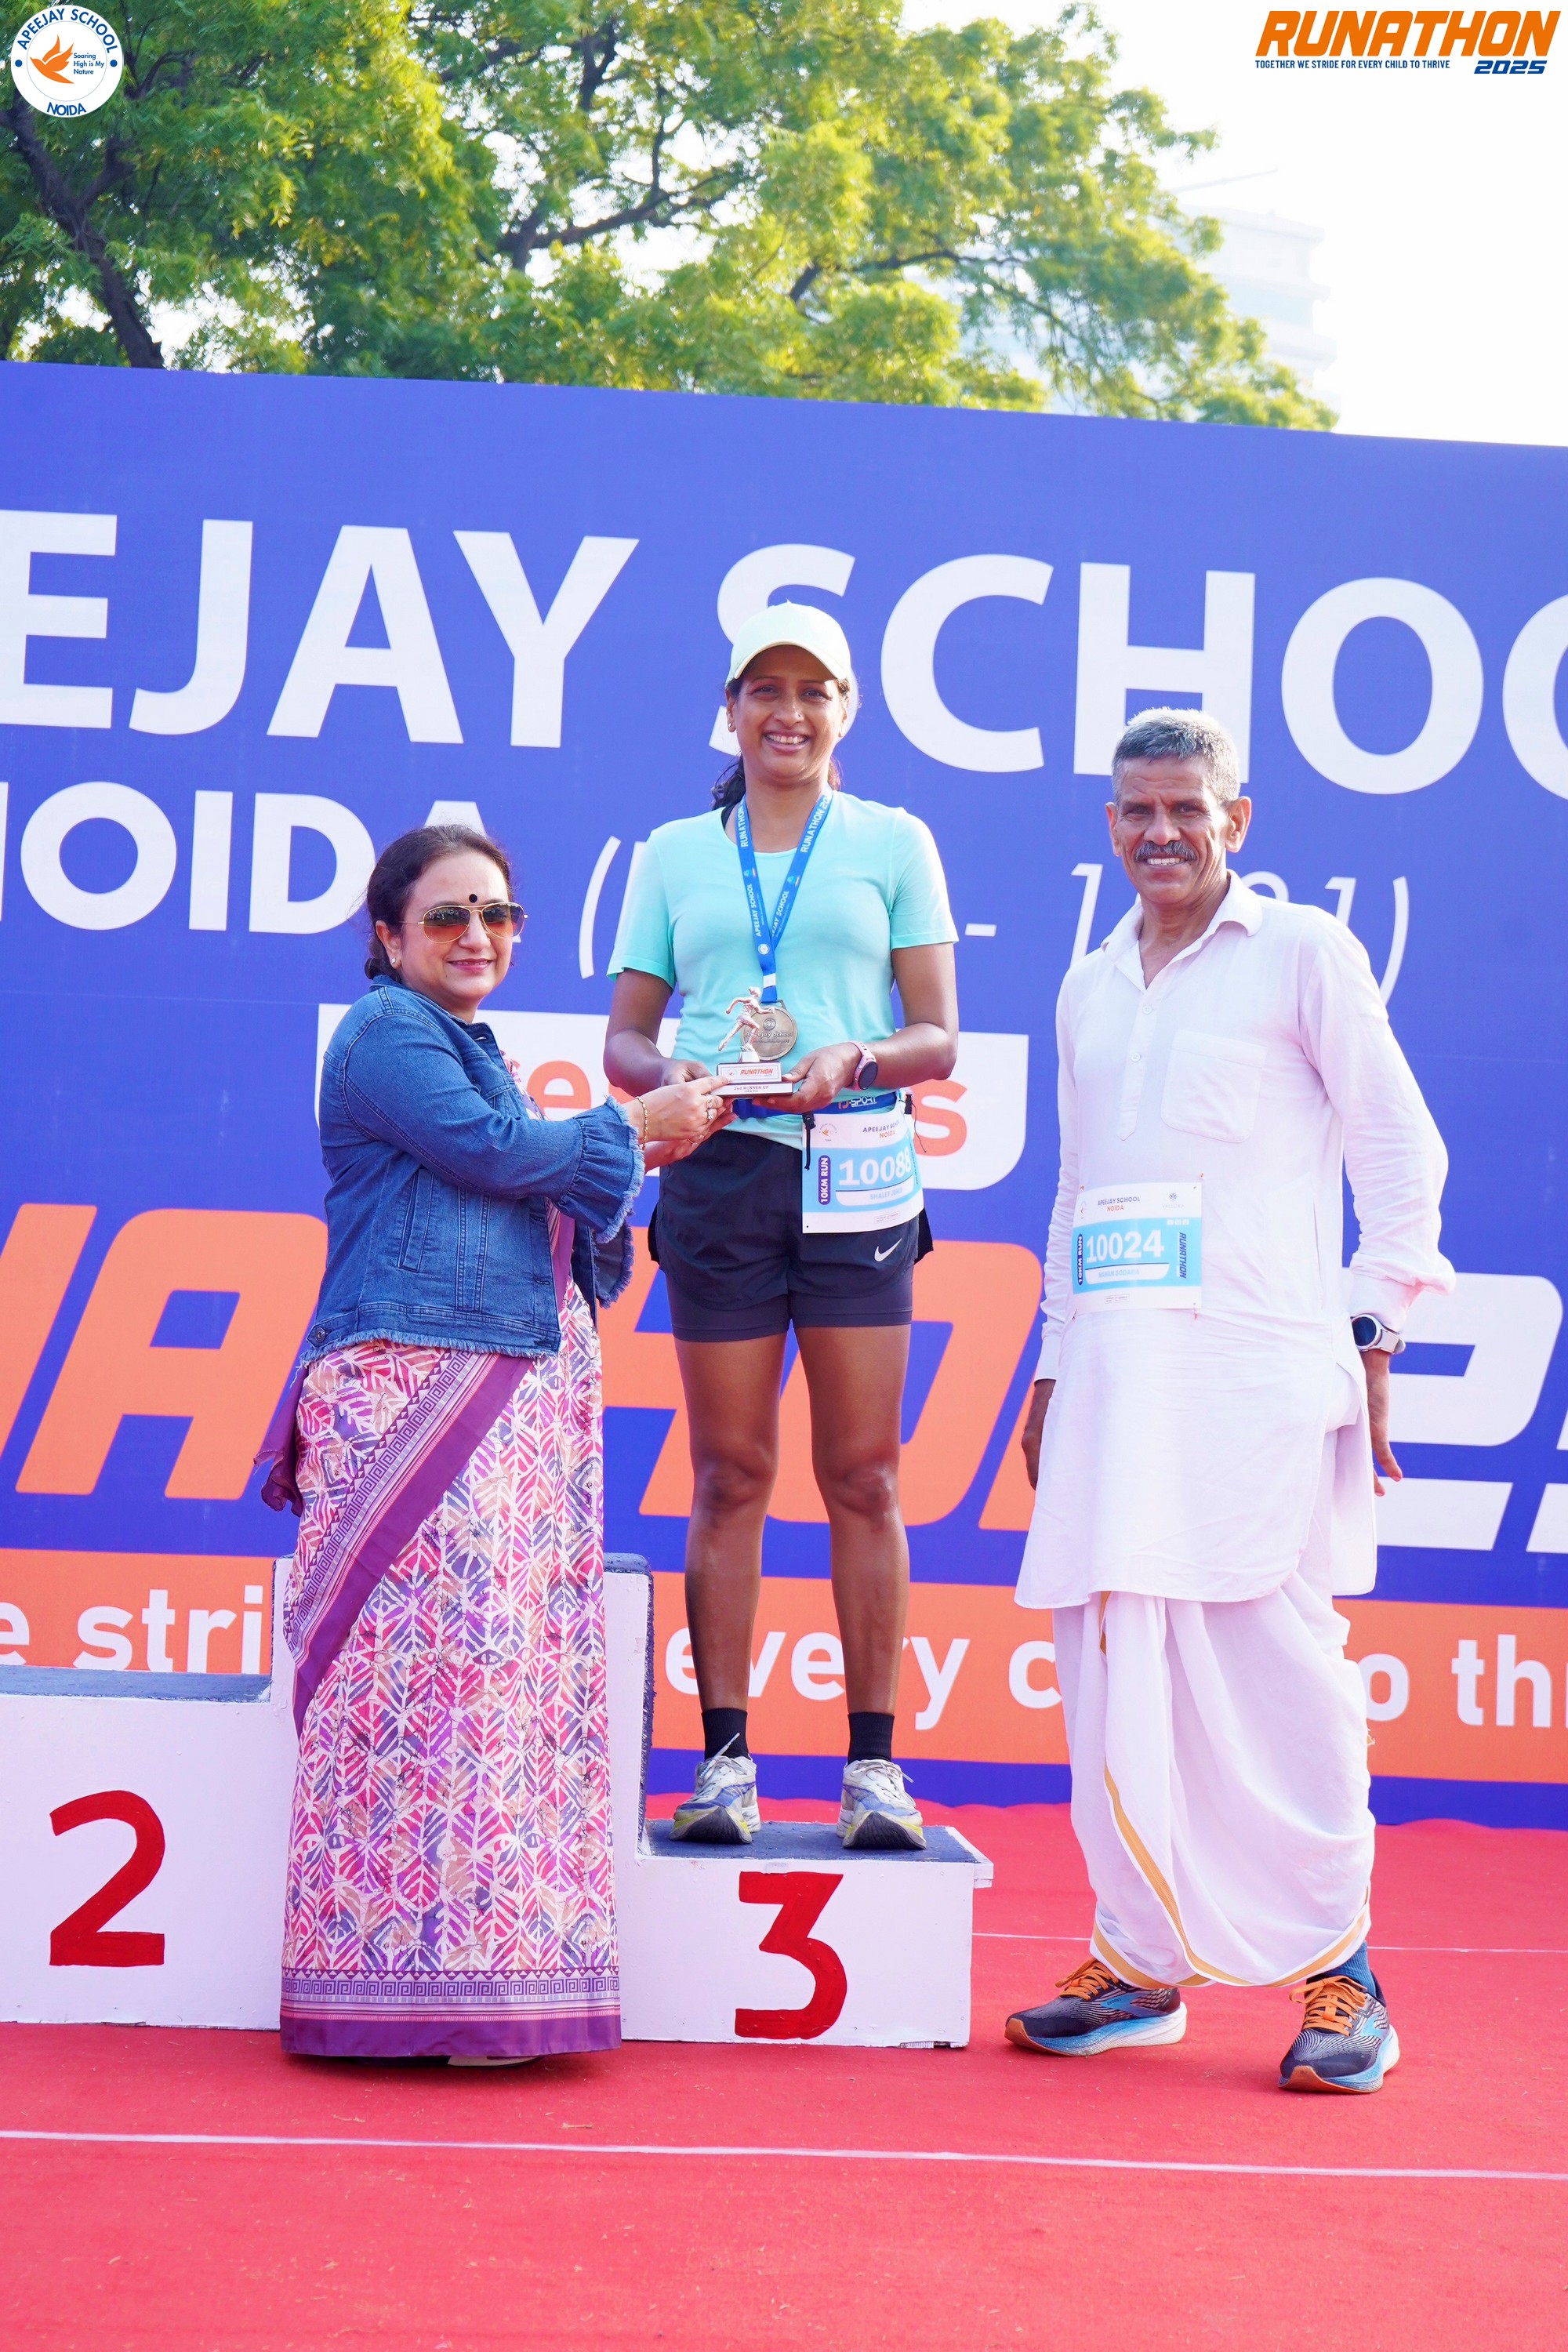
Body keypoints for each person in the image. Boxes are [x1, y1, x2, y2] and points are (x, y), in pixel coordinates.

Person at [1004, 709, 1451, 2093]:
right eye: (1138, 811)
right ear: (1111, 826)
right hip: (1115, 1393)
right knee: (1112, 1678)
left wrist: (1374, 1328)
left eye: (1187, 809)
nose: (1162, 833)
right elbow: (1078, 1194)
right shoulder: (1088, 987)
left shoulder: (1304, 952)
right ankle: (1139, 1963)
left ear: (1236, 821)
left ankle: (1343, 1975)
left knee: (1280, 1681)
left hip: (1258, 1382)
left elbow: (1403, 1155)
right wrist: (1055, 1363)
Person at [260, 822, 725, 2063]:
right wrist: (634, 1125)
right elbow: (498, 1155)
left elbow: (549, 1198)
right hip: (414, 1394)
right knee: (408, 1699)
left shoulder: (474, 1051)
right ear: (388, 934)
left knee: (489, 1698)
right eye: (449, 914)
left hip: (504, 1402)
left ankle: (492, 1985)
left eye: (499, 915)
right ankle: (384, 1992)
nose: (478, 935)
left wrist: (637, 1149)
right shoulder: (388, 1034)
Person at [604, 604, 960, 1850]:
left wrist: (856, 1057)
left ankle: (874, 1771)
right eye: (766, 690)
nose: (789, 713)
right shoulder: (672, 853)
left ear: (845, 710)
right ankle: (725, 1766)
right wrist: (673, 1080)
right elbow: (624, 1037)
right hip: (720, 1177)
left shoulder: (894, 841)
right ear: (733, 708)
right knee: (730, 1474)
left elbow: (938, 1036)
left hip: (858, 1170)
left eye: (814, 692)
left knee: (864, 1475)